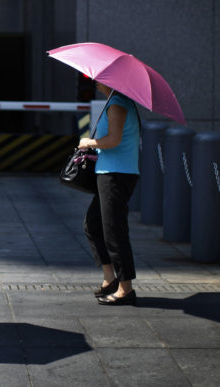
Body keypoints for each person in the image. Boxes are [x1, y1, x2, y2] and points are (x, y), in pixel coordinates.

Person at [78, 81, 140, 306]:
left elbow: (113, 140)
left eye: (99, 78)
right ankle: (110, 279)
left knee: (114, 230)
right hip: (111, 172)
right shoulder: (115, 101)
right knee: (93, 224)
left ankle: (126, 289)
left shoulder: (118, 103)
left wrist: (89, 142)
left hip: (117, 174)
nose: (95, 82)